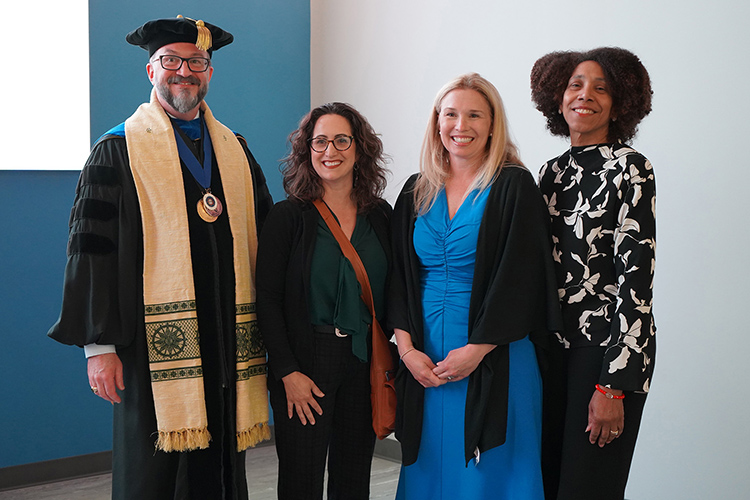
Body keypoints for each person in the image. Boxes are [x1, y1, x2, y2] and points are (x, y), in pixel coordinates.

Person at [47, 16, 273, 500]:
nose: (184, 71)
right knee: (154, 475)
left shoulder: (235, 151)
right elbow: (92, 253)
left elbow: (266, 242)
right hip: (151, 349)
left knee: (221, 469)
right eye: (171, 60)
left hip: (227, 343)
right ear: (151, 71)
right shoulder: (118, 151)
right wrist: (98, 347)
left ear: (209, 72)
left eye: (196, 62)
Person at [388, 73, 562, 499]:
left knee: (493, 477)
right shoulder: (415, 189)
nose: (460, 125)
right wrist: (407, 350)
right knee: (430, 469)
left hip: (495, 355)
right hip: (425, 359)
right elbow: (398, 277)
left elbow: (524, 279)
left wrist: (478, 349)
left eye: (474, 115)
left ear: (492, 124)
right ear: (436, 122)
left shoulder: (513, 186)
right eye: (450, 114)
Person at [530, 47, 656, 500]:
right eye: (575, 85)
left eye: (601, 88)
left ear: (621, 102)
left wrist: (614, 385)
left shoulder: (631, 169)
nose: (586, 96)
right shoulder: (549, 174)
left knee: (587, 490)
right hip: (550, 353)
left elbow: (636, 283)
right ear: (557, 98)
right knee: (544, 485)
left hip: (604, 353)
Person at [256, 102, 391, 500]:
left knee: (354, 477)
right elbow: (267, 300)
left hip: (363, 359)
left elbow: (397, 290)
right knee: (302, 479)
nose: (329, 151)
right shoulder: (287, 218)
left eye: (341, 140)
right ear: (306, 151)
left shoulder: (380, 215)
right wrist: (287, 373)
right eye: (319, 142)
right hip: (306, 362)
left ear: (359, 148)